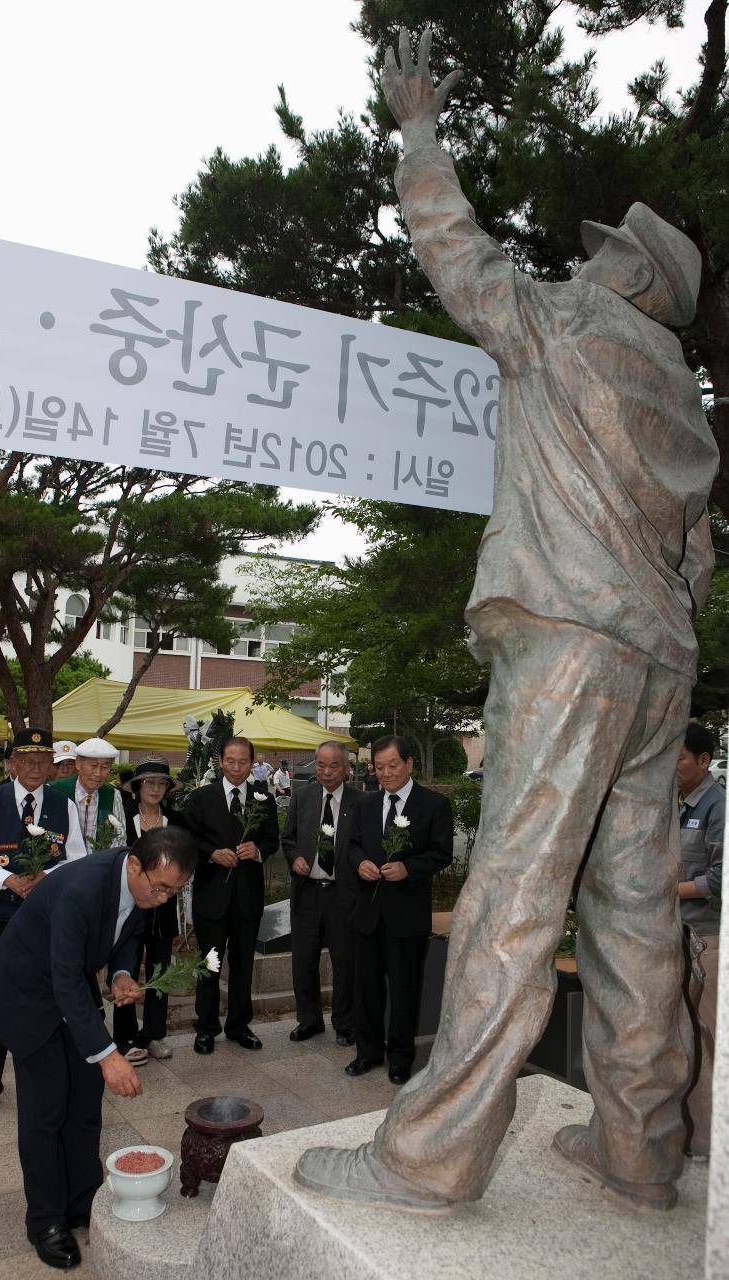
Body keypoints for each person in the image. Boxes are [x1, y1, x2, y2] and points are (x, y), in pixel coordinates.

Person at [295, 31, 718, 1213]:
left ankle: (426, 1159)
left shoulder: (564, 329)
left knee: (516, 893)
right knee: (633, 910)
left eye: (602, 259)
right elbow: (694, 569)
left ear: (629, 277)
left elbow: (456, 252)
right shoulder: (682, 404)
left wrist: (417, 132)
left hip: (569, 645)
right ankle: (640, 1149)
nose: (581, 267)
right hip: (655, 668)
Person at [0, 826, 197, 1270]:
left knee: (83, 1103)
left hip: (66, 991)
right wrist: (108, 1055)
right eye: (158, 887)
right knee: (46, 1112)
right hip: (26, 994)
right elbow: (63, 979)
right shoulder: (81, 889)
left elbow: (126, 935)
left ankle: (82, 1201)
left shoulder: (141, 888)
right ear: (134, 865)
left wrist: (121, 972)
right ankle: (45, 1219)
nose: (161, 898)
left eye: (173, 892)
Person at [0, 727, 86, 1120]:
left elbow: (77, 857)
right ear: (12, 764)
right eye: (27, 760)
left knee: (47, 998)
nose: (35, 767)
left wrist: (48, 878)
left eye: (43, 761)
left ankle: (46, 1080)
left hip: (45, 918)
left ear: (52, 766)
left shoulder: (63, 804)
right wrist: (9, 880)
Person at [345, 735, 452, 1084]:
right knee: (366, 986)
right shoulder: (365, 804)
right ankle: (368, 1051)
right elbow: (354, 845)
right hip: (368, 913)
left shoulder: (433, 805)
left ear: (409, 763)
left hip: (407, 914)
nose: (386, 773)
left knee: (405, 988)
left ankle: (401, 1058)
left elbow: (441, 852)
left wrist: (410, 868)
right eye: (379, 767)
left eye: (393, 765)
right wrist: (360, 862)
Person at [185, 735, 279, 1054]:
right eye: (231, 761)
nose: (237, 767)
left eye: (243, 761)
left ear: (252, 762)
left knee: (243, 965)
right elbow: (188, 839)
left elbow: (272, 840)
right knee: (210, 965)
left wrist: (258, 850)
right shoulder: (202, 798)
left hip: (247, 898)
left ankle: (239, 1025)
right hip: (212, 897)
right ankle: (206, 1027)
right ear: (221, 761)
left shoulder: (263, 797)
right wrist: (211, 853)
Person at [283, 741, 360, 1047]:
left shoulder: (360, 802)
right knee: (303, 960)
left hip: (343, 894)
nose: (326, 772)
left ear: (346, 768)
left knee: (345, 961)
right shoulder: (302, 797)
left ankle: (345, 1023)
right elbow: (287, 838)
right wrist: (294, 859)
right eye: (320, 765)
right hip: (308, 893)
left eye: (333, 766)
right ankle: (309, 1020)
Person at [113, 759, 187, 1064]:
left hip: (164, 906)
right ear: (138, 787)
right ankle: (125, 1037)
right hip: (129, 906)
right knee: (126, 968)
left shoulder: (177, 820)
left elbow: (185, 860)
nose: (155, 789)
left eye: (161, 784)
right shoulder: (122, 817)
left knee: (160, 969)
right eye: (149, 783)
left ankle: (155, 1034)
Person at [677, 719, 724, 1148]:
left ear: (704, 760)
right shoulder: (683, 804)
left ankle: (707, 1142)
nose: (672, 765)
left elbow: (720, 878)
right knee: (684, 1040)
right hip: (682, 938)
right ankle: (687, 1133)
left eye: (680, 757)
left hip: (709, 942)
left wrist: (669, 890)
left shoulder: (716, 806)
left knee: (707, 1041)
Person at [49, 737, 125, 850]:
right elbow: (45, 832)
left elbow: (119, 838)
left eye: (105, 767)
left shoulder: (113, 795)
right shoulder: (54, 791)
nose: (98, 773)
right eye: (93, 766)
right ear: (78, 764)